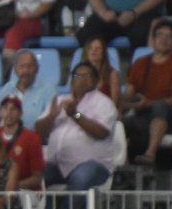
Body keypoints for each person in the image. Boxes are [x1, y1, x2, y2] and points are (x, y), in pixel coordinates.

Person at [35, 62, 117, 199]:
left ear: (96, 81)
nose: (82, 80)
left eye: (87, 76)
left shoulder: (103, 103)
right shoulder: (60, 100)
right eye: (78, 76)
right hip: (58, 165)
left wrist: (75, 114)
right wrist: (51, 116)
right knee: (36, 174)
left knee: (81, 177)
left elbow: (101, 132)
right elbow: (38, 132)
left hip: (93, 165)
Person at [123, 21, 172, 166]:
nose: (164, 39)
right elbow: (129, 94)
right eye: (160, 35)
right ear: (153, 39)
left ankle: (150, 154)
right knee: (120, 123)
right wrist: (128, 104)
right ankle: (121, 166)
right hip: (144, 116)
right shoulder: (140, 63)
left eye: (169, 36)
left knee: (160, 106)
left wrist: (147, 104)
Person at [0, 50, 59, 130]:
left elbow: (51, 120)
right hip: (7, 138)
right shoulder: (7, 88)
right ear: (15, 70)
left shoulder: (48, 89)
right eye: (22, 66)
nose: (25, 71)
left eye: (30, 66)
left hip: (37, 139)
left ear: (37, 69)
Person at [0, 96, 46, 190]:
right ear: (0, 112)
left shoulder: (32, 138)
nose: (9, 112)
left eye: (13, 109)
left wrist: (13, 186)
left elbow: (37, 177)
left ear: (20, 113)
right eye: (5, 108)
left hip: (25, 190)